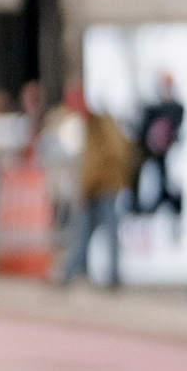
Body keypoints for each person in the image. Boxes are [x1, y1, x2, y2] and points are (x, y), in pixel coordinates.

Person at [59, 90, 136, 287]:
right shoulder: (95, 125)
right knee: (87, 232)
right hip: (99, 186)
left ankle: (108, 277)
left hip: (103, 187)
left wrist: (86, 186)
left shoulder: (100, 126)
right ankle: (72, 273)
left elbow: (101, 160)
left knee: (97, 231)